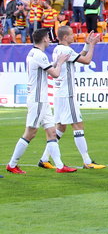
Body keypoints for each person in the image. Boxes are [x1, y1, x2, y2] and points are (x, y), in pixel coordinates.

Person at [6, 28, 75, 175]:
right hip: (38, 100)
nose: (50, 40)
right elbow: (55, 74)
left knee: (51, 132)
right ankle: (12, 164)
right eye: (48, 38)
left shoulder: (34, 53)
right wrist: (61, 62)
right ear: (44, 39)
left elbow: (48, 68)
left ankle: (60, 166)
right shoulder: (40, 55)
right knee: (30, 132)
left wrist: (57, 61)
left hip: (41, 99)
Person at [37, 27, 105, 170]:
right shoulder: (66, 50)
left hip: (59, 93)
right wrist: (92, 46)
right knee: (78, 125)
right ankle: (87, 161)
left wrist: (86, 45)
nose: (74, 36)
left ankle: (44, 159)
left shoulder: (58, 49)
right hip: (67, 94)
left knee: (60, 127)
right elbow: (86, 60)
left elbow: (77, 57)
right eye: (72, 34)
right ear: (66, 36)